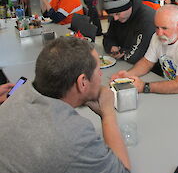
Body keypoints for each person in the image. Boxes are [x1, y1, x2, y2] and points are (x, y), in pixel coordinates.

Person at [0, 37, 130, 173]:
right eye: (98, 70)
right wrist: (108, 113)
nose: (101, 75)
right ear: (83, 82)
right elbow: (122, 170)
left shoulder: (18, 94)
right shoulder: (74, 136)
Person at [111, 5, 178, 98]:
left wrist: (144, 86)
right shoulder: (157, 37)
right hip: (172, 89)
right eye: (157, 27)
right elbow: (146, 63)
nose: (159, 33)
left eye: (164, 28)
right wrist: (128, 75)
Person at [103, 0, 156, 64]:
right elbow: (108, 37)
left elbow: (138, 55)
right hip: (125, 64)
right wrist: (111, 46)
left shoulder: (147, 18)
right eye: (111, 15)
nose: (115, 18)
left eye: (117, 14)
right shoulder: (117, 17)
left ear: (128, 6)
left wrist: (122, 53)